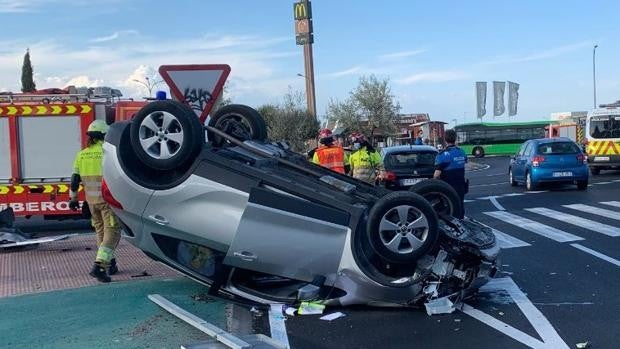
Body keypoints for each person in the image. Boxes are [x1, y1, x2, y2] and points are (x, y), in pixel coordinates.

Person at [69, 119, 120, 283]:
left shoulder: (81, 154)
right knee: (112, 232)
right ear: (104, 135)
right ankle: (99, 266)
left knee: (100, 232)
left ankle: (109, 263)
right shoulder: (107, 153)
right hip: (107, 201)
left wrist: (73, 198)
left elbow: (75, 179)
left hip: (92, 202)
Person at [433, 129, 468, 218]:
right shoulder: (461, 152)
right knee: (460, 205)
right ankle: (462, 224)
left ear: (445, 139)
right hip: (461, 185)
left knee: (449, 207)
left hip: (448, 187)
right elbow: (464, 163)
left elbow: (436, 175)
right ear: (455, 138)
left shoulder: (443, 155)